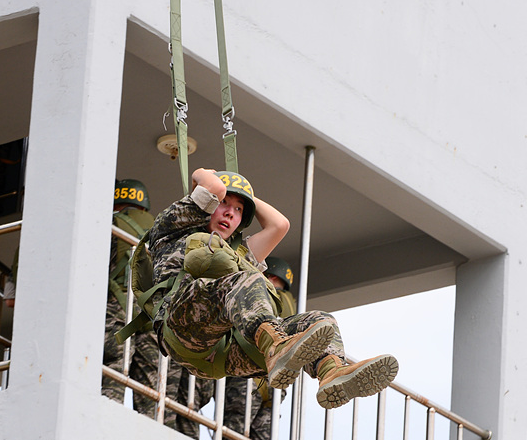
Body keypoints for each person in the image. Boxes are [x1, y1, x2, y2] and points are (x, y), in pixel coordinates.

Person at [137, 169, 398, 410]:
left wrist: (244, 195)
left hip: (223, 355)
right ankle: (275, 347)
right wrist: (202, 174)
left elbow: (280, 225)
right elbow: (214, 185)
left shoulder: (239, 254)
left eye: (239, 210)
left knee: (320, 320)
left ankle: (331, 372)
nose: (230, 213)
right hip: (182, 329)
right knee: (249, 282)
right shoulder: (173, 229)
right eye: (225, 204)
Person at [220, 256, 296, 440]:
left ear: (268, 276)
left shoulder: (260, 295)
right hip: (276, 385)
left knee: (232, 435)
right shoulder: (291, 307)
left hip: (249, 378)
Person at [103, 180, 162, 420]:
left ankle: (106, 417)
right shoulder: (161, 230)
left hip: (119, 307)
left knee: (116, 364)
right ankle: (149, 432)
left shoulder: (112, 223)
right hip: (152, 314)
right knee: (150, 383)